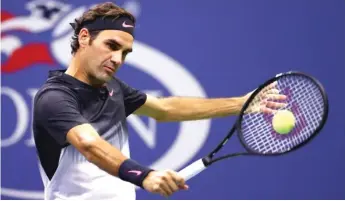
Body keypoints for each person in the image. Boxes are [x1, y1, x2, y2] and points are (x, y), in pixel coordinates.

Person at [32, 2, 286, 200]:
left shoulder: (113, 88)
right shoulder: (54, 97)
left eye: (124, 53)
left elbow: (165, 109)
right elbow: (89, 144)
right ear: (85, 37)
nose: (118, 59)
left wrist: (241, 104)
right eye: (111, 45)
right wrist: (145, 176)